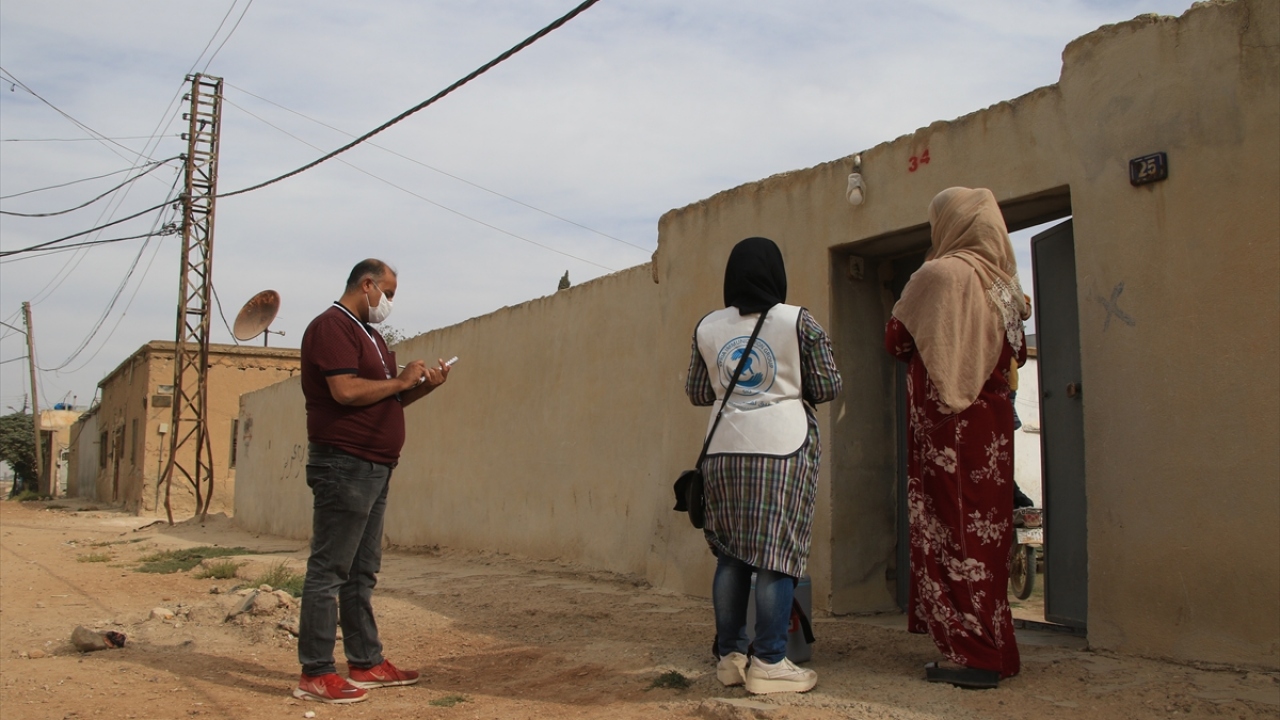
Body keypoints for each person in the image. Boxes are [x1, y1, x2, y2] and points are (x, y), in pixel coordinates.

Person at [884, 187, 1030, 689]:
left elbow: (896, 339)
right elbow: (1018, 352)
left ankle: (972, 656)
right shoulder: (1006, 287)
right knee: (985, 538)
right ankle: (996, 647)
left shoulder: (939, 275)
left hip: (947, 430)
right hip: (992, 431)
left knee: (951, 534)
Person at [685, 237, 842, 695]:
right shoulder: (799, 320)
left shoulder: (708, 327)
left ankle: (731, 656)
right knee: (777, 555)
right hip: (782, 448)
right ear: (777, 273)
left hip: (723, 451)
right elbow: (828, 384)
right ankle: (770, 660)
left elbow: (697, 393)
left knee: (732, 554)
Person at [293, 259, 451, 704]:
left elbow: (385, 399)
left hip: (375, 465)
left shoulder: (372, 337)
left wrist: (422, 386)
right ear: (367, 285)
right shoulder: (331, 327)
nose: (390, 303)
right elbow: (344, 391)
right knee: (330, 569)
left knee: (361, 570)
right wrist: (400, 380)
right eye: (389, 292)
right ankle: (316, 672)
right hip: (344, 464)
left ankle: (365, 660)